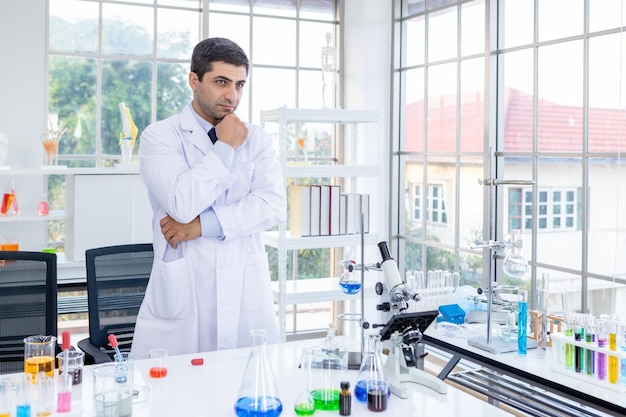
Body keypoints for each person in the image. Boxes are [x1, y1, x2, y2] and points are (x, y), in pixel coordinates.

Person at [131, 37, 286, 359]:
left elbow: (272, 207)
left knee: (248, 387)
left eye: (240, 85)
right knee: (174, 396)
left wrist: (201, 225)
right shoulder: (160, 136)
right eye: (221, 82)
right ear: (194, 80)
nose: (232, 96)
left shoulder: (256, 139)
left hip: (245, 286)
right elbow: (182, 203)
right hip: (185, 291)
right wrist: (226, 146)